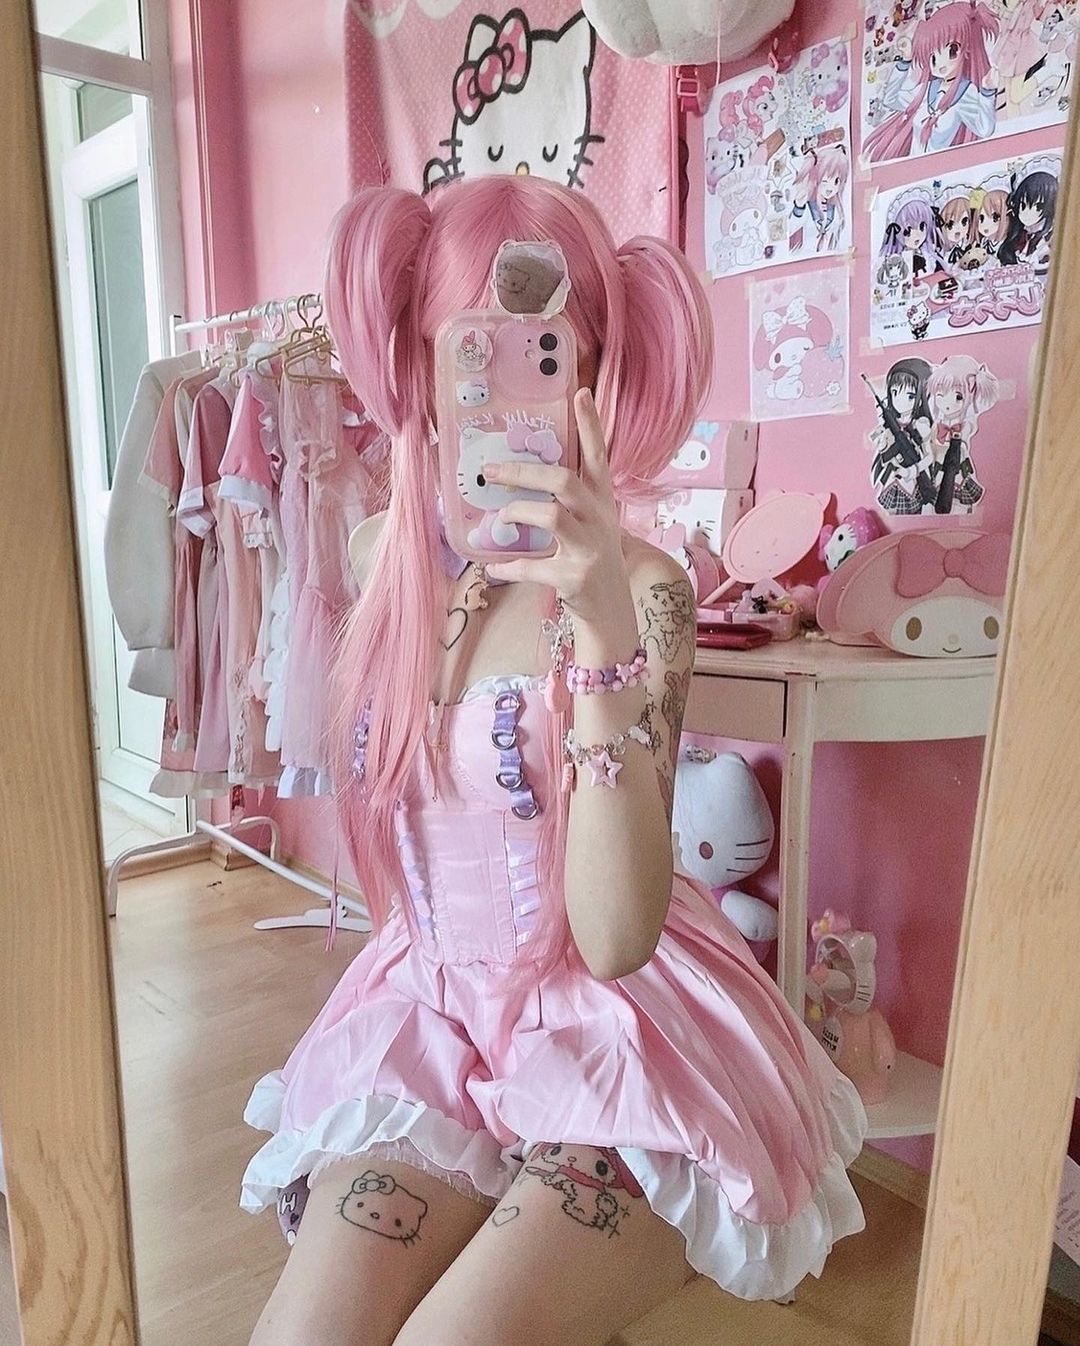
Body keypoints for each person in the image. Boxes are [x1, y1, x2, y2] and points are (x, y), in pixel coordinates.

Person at [242, 175, 867, 1346]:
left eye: (544, 354)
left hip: (619, 1020)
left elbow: (616, 935)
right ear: (418, 360)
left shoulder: (647, 589)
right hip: (429, 1011)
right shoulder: (381, 560)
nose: (504, 392)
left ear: (592, 373)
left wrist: (601, 624)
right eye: (469, 349)